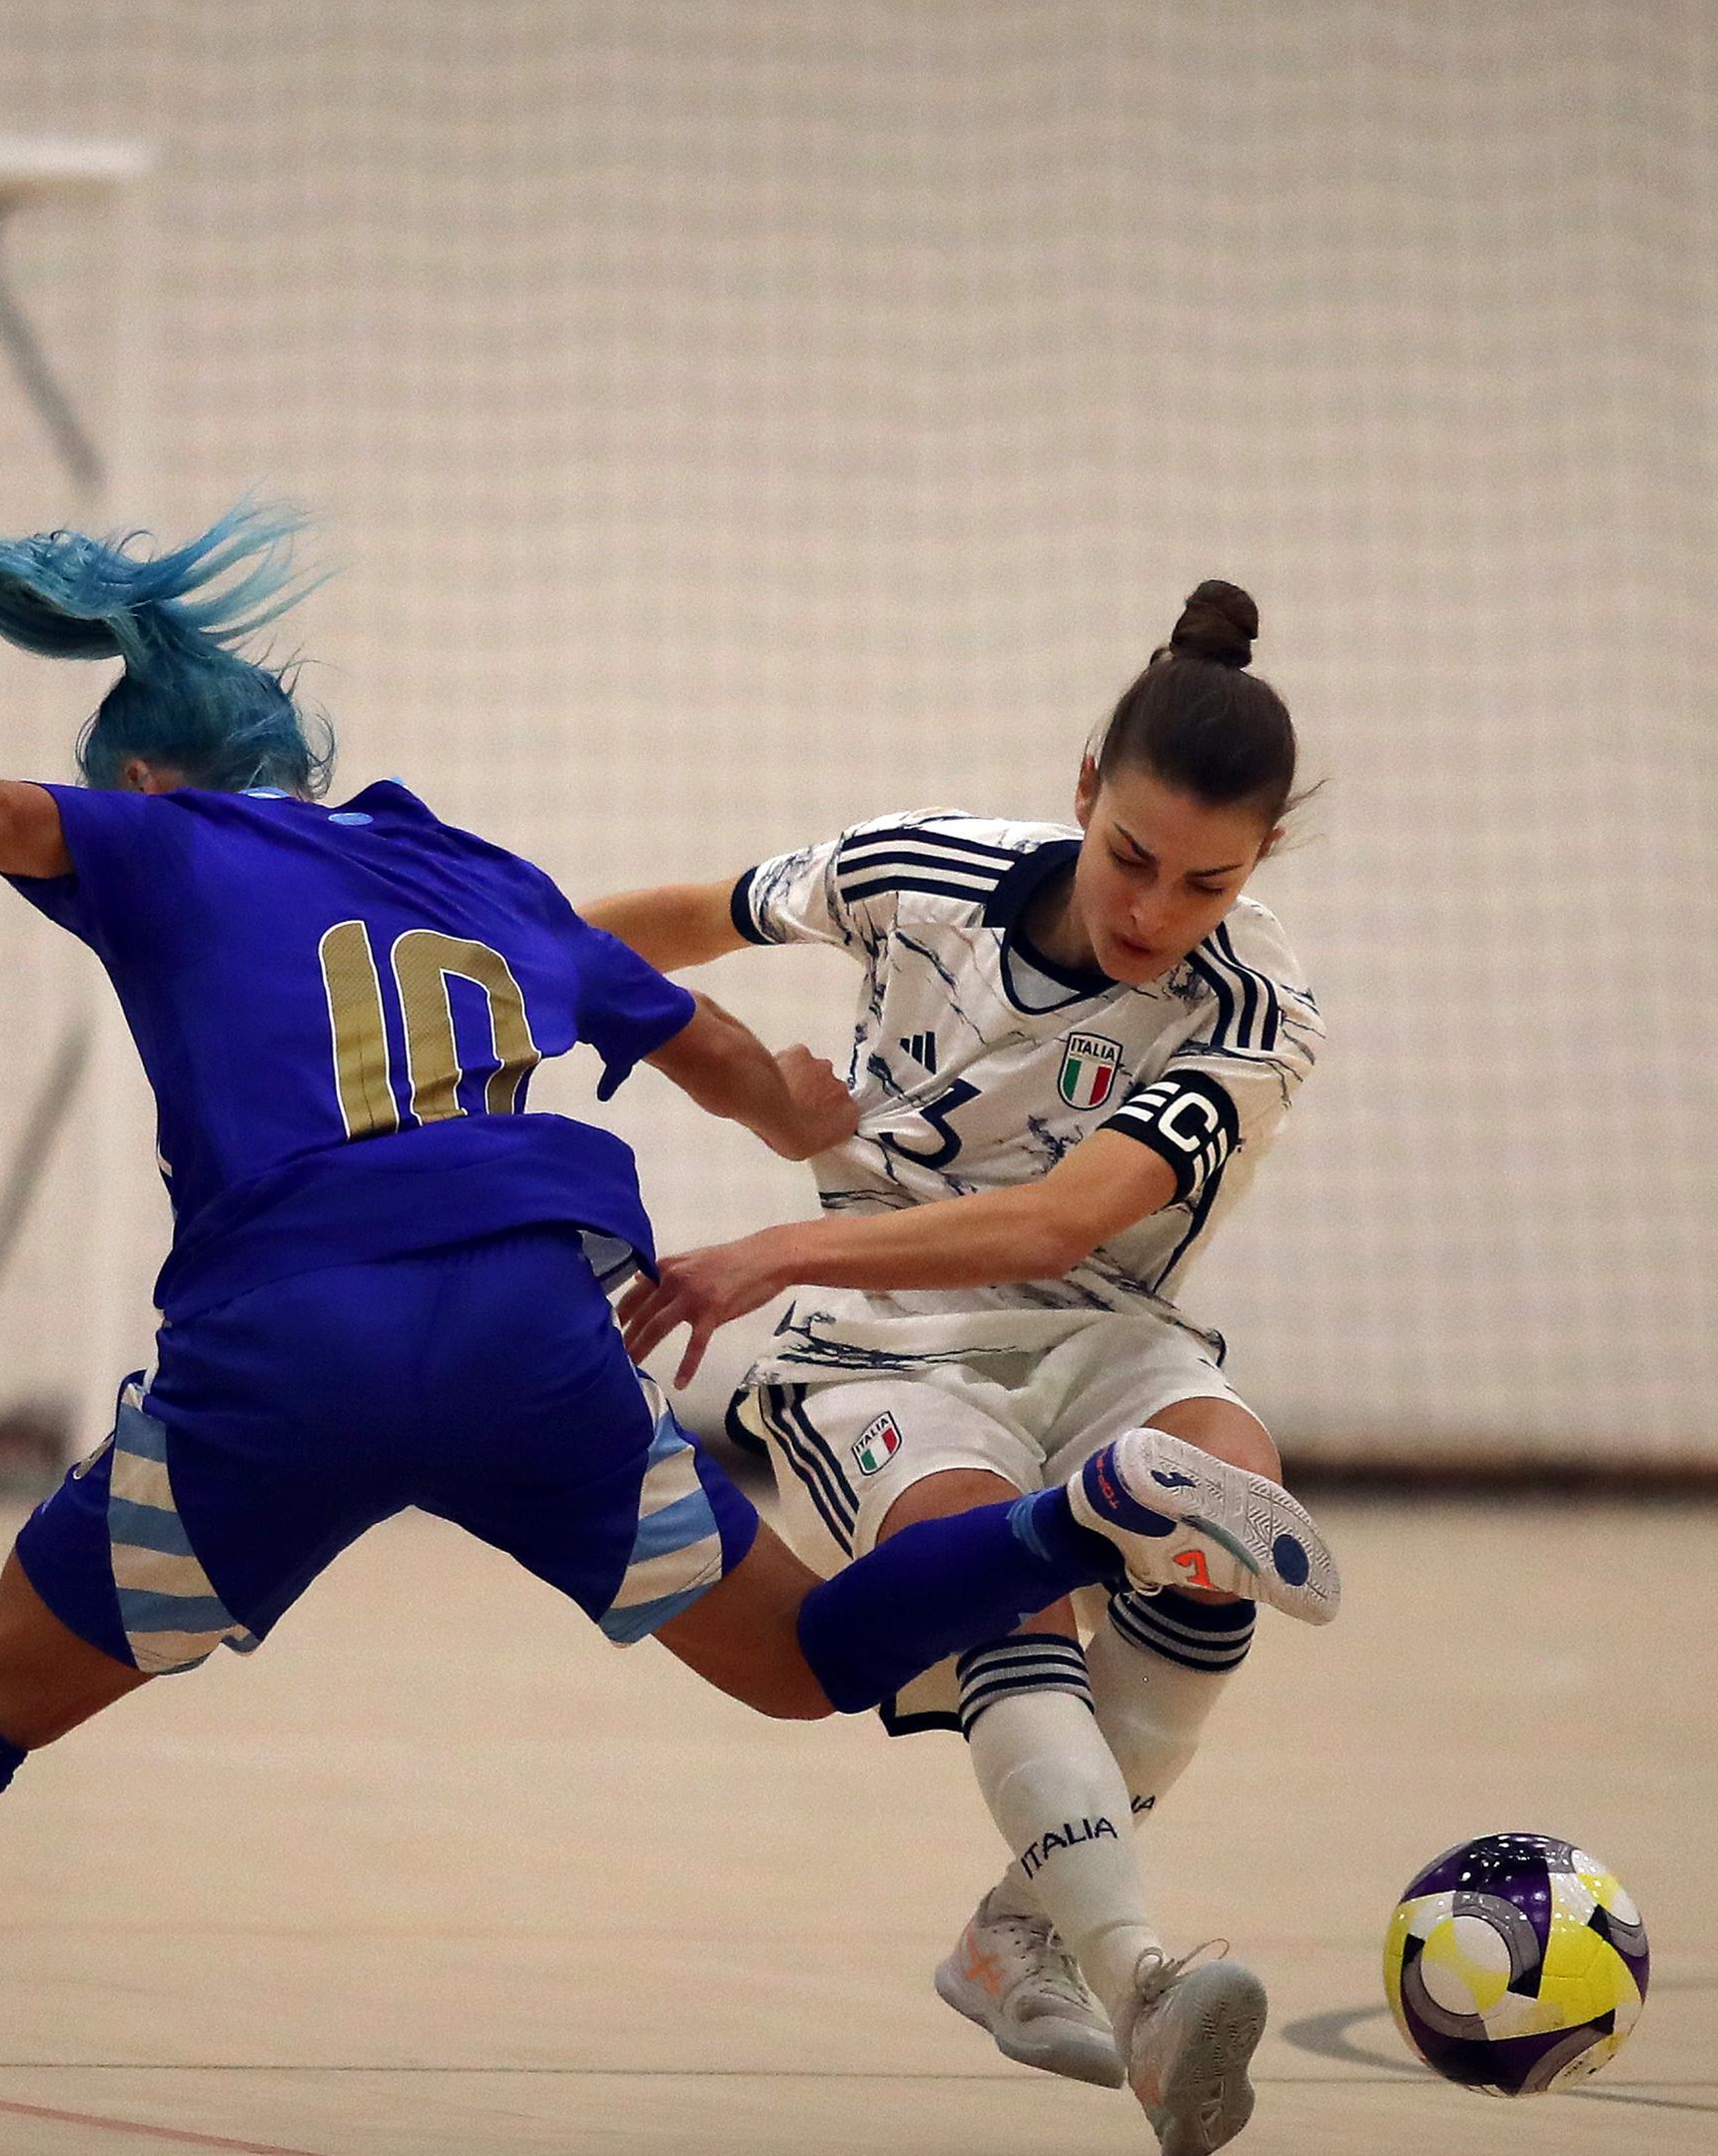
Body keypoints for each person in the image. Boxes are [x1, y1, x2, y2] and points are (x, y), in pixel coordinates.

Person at [0, 507, 1339, 2155]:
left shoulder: (159, 832)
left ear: (158, 777)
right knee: (802, 1660)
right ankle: (1081, 1519)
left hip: (297, 1338)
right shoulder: (479, 871)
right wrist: (802, 1121)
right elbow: (721, 1052)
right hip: (535, 1326)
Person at [586, 581, 1326, 2156]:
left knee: (1228, 1511)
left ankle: (1016, 1932)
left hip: (1101, 1320)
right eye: (1133, 856)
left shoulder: (1253, 1008)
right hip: (878, 1335)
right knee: (999, 1575)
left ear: (1257, 867)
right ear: (1081, 792)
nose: (1154, 909)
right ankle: (1136, 1974)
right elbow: (678, 918)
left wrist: (772, 1246)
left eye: (1209, 880)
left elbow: (1064, 1214)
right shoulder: (917, 868)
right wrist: (492, 955)